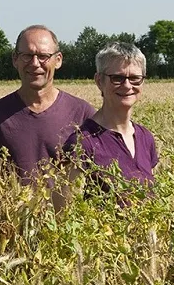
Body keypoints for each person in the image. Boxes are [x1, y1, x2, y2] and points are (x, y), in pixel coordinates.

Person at [0, 24, 96, 185]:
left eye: (43, 56)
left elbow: (96, 179)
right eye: (27, 55)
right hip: (10, 210)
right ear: (15, 59)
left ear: (58, 60)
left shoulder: (84, 114)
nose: (35, 63)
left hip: (69, 211)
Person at [54, 42, 159, 212]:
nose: (127, 86)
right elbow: (64, 214)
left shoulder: (145, 137)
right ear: (99, 81)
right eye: (117, 78)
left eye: (135, 78)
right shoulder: (81, 144)